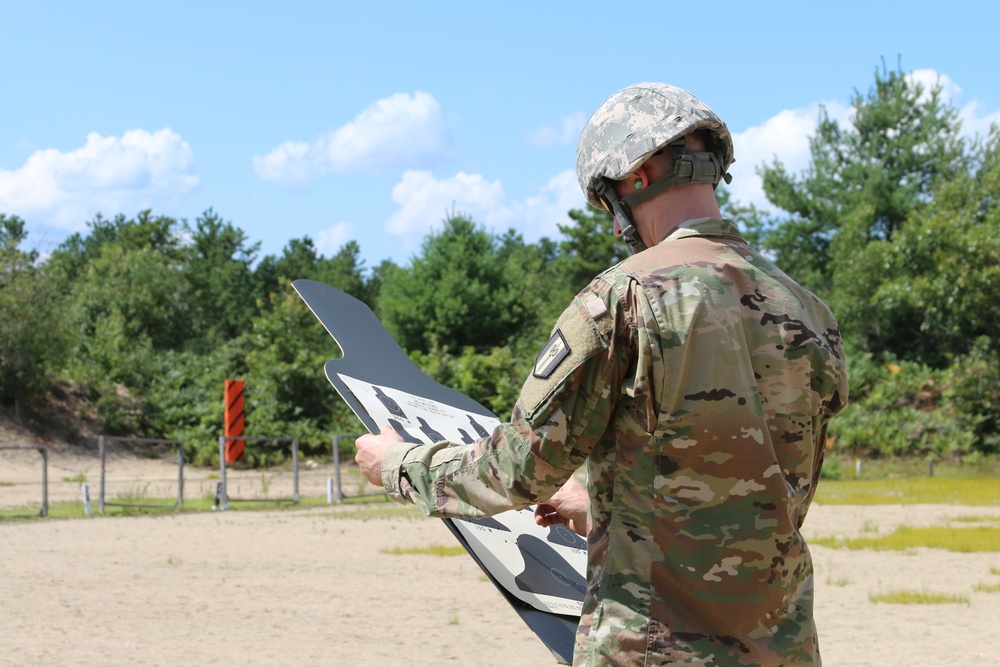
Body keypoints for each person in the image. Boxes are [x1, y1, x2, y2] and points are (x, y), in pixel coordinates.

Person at [355, 82, 849, 666]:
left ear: (635, 177)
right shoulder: (807, 312)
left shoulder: (624, 298)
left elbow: (512, 471)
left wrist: (398, 464)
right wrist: (606, 506)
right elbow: (764, 497)